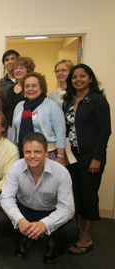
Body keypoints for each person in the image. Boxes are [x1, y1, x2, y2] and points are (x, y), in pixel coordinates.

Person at [0, 132, 78, 264]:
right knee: (1, 219)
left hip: (49, 211)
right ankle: (23, 238)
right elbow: (6, 198)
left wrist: (44, 224)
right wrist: (20, 220)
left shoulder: (61, 173)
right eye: (28, 152)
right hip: (25, 209)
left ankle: (52, 243)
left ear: (46, 153)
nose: (32, 156)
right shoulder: (15, 168)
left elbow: (67, 208)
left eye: (37, 152)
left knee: (71, 231)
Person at [63, 64, 111, 255]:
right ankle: (80, 230)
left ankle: (86, 238)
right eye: (75, 77)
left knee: (89, 196)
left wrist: (97, 158)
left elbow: (105, 131)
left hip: (90, 155)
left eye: (83, 76)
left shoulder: (98, 101)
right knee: (77, 195)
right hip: (72, 155)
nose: (78, 79)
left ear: (90, 78)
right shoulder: (70, 100)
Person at [12, 72, 66, 164]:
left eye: (34, 85)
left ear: (41, 87)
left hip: (46, 155)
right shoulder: (19, 106)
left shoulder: (51, 105)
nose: (30, 89)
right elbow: (14, 132)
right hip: (23, 154)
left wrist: (60, 156)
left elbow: (61, 132)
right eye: (27, 86)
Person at [3, 56, 35, 141]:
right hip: (10, 129)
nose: (18, 70)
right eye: (15, 68)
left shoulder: (32, 89)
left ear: (28, 69)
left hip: (27, 128)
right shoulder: (10, 90)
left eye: (22, 68)